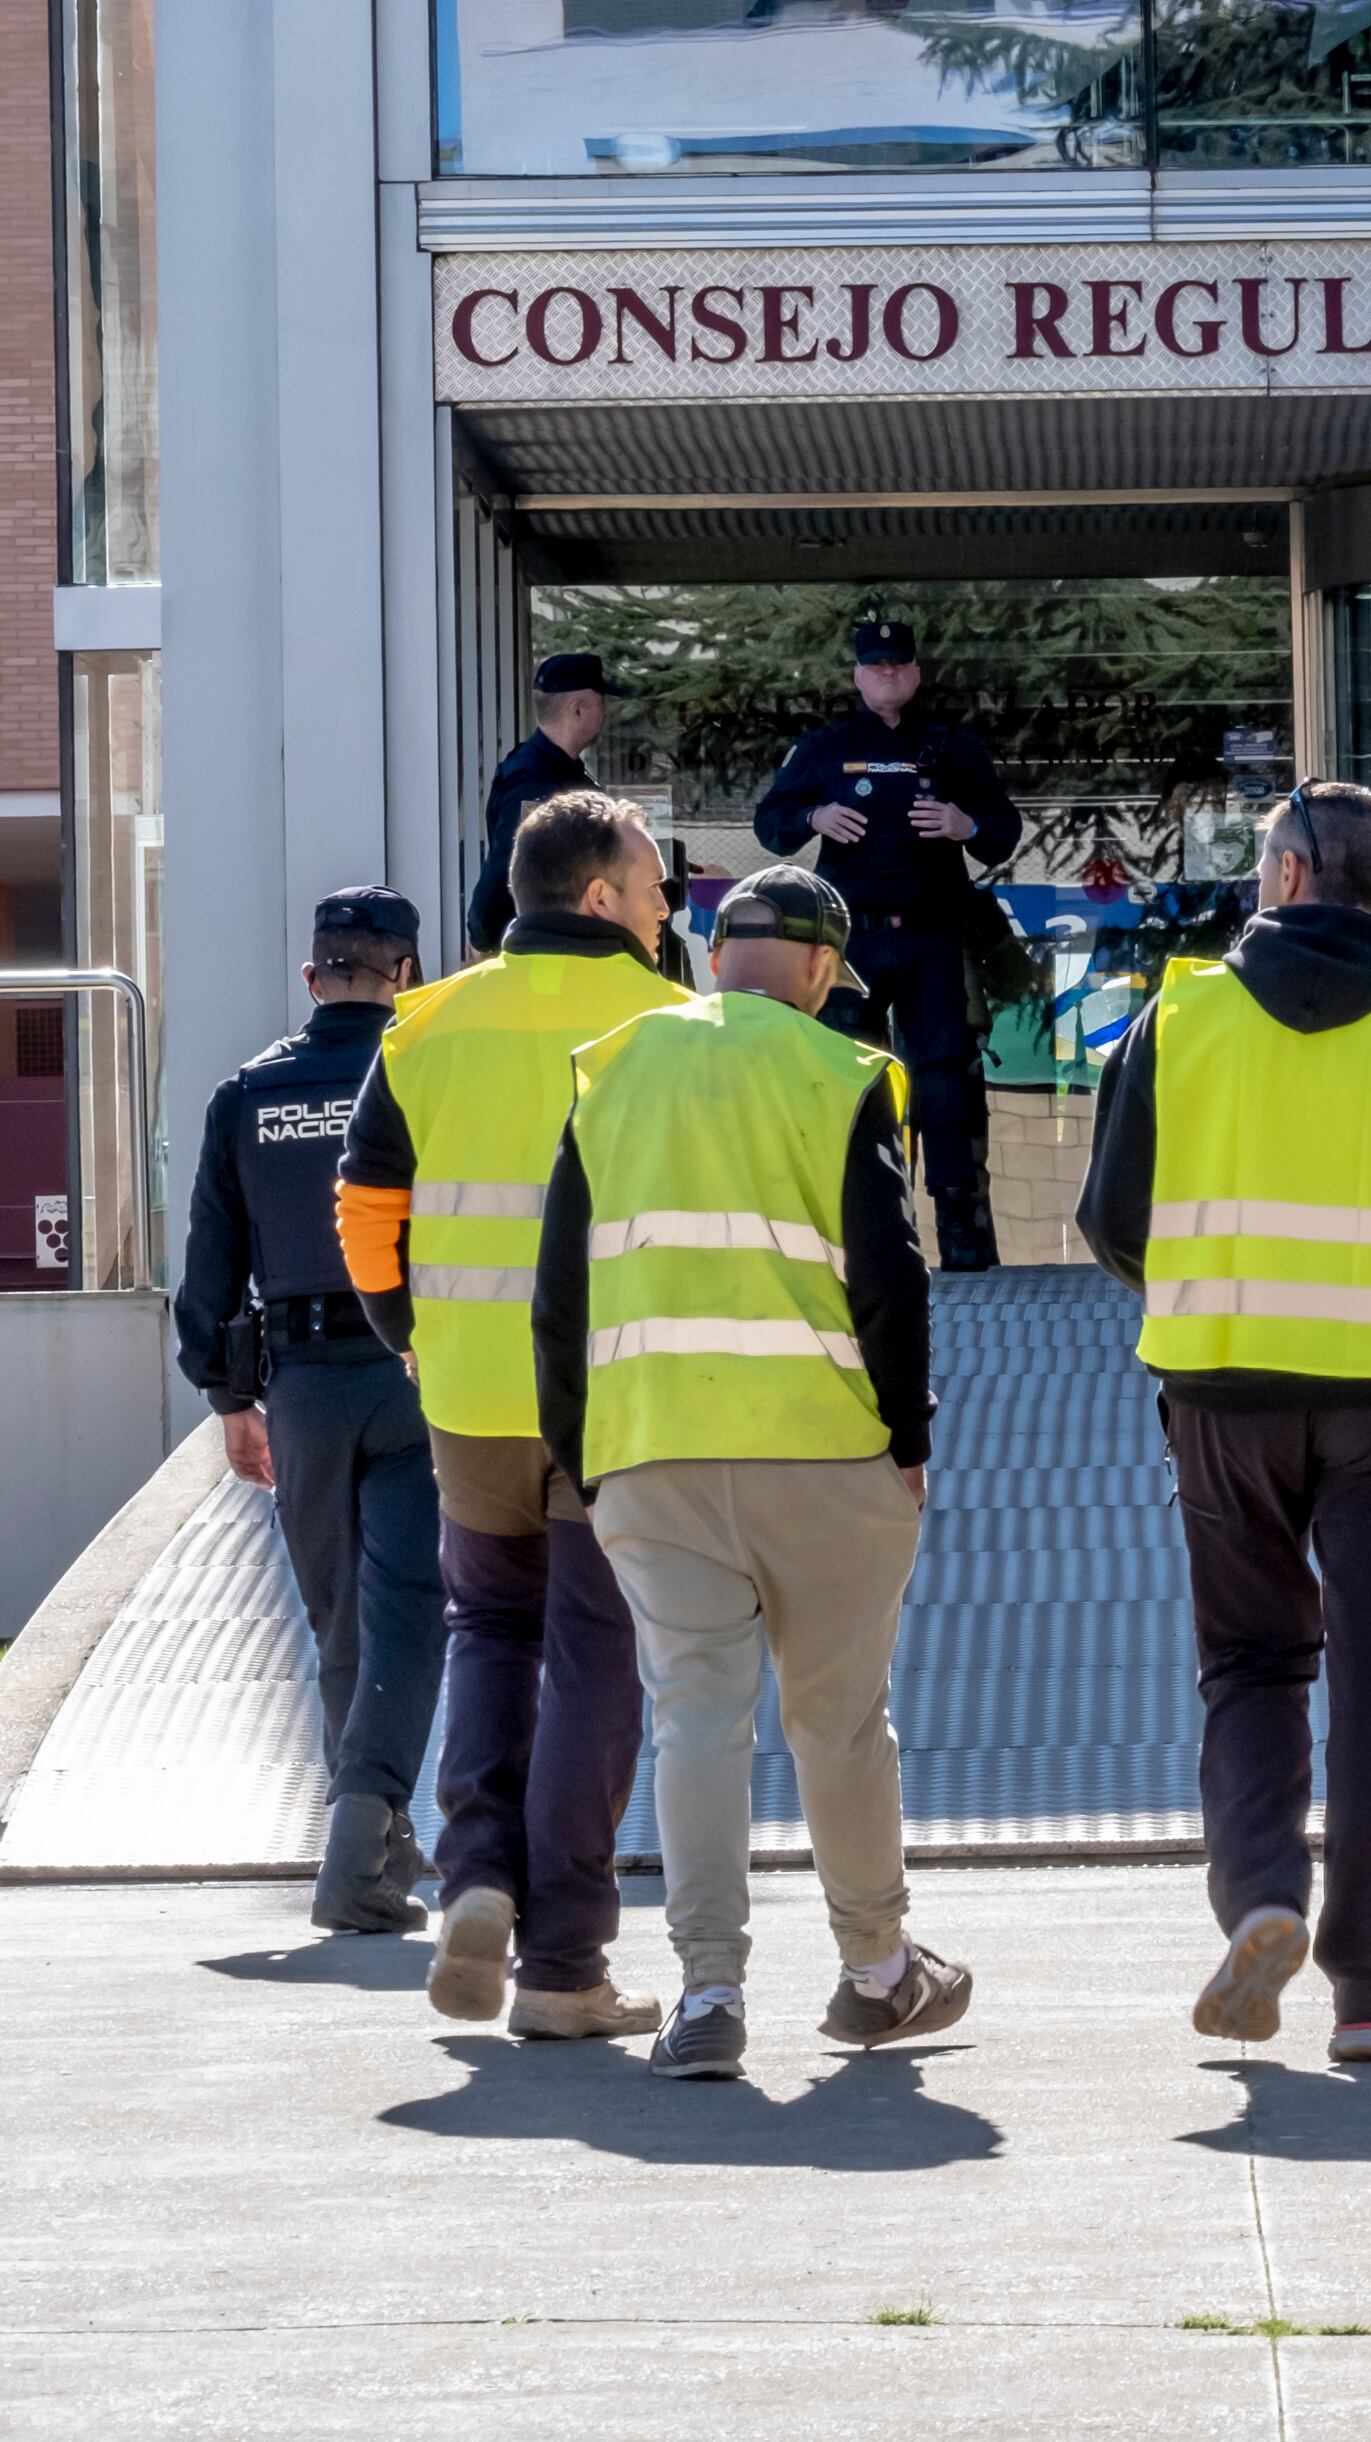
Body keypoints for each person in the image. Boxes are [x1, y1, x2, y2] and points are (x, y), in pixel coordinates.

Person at [1076, 781, 1371, 2062]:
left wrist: (1206, 1287)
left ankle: (1263, 1902)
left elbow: (1110, 1221)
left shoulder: (1178, 1021)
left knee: (1249, 1663)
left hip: (1221, 1389)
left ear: (1285, 876)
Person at [532, 865, 971, 2080]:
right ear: (824, 970)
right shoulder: (839, 1075)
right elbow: (891, 1275)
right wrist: (907, 1440)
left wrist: (581, 1454)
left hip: (652, 1452)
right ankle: (877, 1972)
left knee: (695, 1723)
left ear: (715, 952)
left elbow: (559, 1290)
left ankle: (710, 1996)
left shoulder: (610, 1067)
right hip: (826, 1454)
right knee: (837, 1721)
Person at [339, 792, 688, 2041]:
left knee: (491, 1627)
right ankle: (565, 1966)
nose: (666, 908)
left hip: (472, 1396)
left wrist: (411, 1338)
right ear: (598, 897)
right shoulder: (672, 1027)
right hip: (620, 1400)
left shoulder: (425, 1025)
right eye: (654, 886)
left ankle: (476, 1873)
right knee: (598, 1652)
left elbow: (367, 1207)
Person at [173, 887, 448, 1934]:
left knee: (338, 1616)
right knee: (411, 1604)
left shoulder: (249, 1093)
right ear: (407, 973)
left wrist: (227, 1397)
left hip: (299, 1385)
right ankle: (367, 1824)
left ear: (312, 976)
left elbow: (211, 1263)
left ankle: (372, 1836)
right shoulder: (423, 1073)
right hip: (416, 1371)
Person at [752, 617, 1022, 1274]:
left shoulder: (948, 746)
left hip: (931, 935)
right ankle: (859, 1221)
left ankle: (958, 1229)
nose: (887, 675)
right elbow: (770, 824)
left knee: (940, 1077)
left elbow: (1002, 828)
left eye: (897, 665)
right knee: (852, 1081)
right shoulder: (827, 747)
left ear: (916, 673)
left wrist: (964, 823)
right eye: (875, 666)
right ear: (857, 675)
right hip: (853, 943)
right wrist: (813, 817)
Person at [468, 652, 629, 958]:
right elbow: (510, 862)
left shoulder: (563, 772)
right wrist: (482, 940)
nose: (606, 714)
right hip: (532, 953)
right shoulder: (534, 781)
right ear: (578, 709)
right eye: (601, 703)